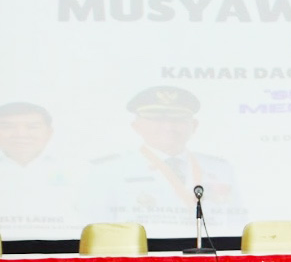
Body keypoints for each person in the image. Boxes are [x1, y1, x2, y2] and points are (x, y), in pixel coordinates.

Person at [87, 86, 246, 235]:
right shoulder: (108, 170)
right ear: (136, 126)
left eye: (178, 119)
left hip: (207, 251)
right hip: (138, 253)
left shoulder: (220, 168)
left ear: (194, 125)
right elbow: (97, 228)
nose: (168, 127)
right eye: (157, 119)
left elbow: (236, 220)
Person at [0, 102, 84, 238]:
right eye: (7, 127)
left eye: (32, 127)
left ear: (49, 133)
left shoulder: (79, 169)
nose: (20, 134)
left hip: (65, 247)